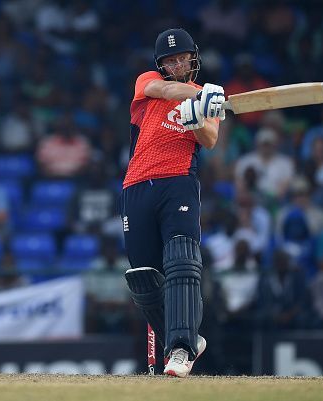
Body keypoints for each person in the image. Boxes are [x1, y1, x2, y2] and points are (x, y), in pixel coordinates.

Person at [121, 28, 224, 377]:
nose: (177, 64)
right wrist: (199, 95)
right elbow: (164, 90)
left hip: (178, 180)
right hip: (136, 183)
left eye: (182, 58)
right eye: (170, 60)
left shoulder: (208, 100)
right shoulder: (150, 82)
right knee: (143, 277)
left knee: (181, 260)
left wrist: (197, 118)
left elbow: (209, 139)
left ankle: (180, 348)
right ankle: (188, 338)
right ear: (160, 64)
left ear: (193, 58)